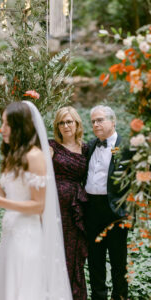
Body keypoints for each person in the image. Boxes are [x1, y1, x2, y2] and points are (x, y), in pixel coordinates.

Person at [0, 101, 73, 300]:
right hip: (10, 235)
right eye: (2, 123)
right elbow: (7, 198)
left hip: (28, 237)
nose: (2, 129)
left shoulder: (35, 156)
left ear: (20, 126)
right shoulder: (13, 156)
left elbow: (38, 206)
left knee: (26, 291)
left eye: (7, 124)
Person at [85, 105, 130, 300]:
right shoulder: (90, 146)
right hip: (91, 209)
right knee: (95, 262)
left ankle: (120, 296)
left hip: (115, 211)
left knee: (118, 262)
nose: (96, 124)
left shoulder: (127, 147)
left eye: (100, 120)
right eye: (93, 121)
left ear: (113, 121)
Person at [49, 106, 88, 300]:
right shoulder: (51, 146)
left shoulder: (86, 148)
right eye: (61, 122)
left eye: (69, 121)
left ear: (77, 124)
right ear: (57, 126)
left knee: (73, 256)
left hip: (75, 210)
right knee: (55, 253)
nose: (66, 126)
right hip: (54, 211)